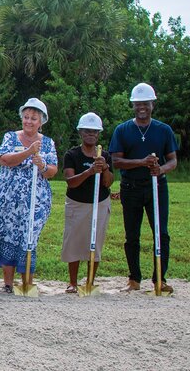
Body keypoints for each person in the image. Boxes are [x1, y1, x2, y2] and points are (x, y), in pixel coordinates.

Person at [0, 98, 58, 293]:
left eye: (34, 118)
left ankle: (27, 284)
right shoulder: (11, 137)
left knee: (28, 237)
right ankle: (8, 284)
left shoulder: (48, 143)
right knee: (7, 236)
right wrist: (29, 152)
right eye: (26, 117)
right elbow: (4, 159)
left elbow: (53, 171)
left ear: (41, 121)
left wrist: (43, 165)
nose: (29, 121)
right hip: (6, 197)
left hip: (35, 199)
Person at [109, 82, 178, 293]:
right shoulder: (122, 130)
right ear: (133, 105)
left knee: (161, 233)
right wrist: (141, 162)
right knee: (132, 234)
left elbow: (173, 160)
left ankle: (160, 278)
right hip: (131, 187)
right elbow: (117, 162)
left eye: (145, 103)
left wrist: (161, 170)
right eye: (138, 104)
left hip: (157, 187)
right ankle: (134, 279)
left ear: (152, 104)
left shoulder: (163, 130)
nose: (142, 107)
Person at [61, 112, 113, 293]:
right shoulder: (72, 154)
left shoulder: (104, 156)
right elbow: (71, 181)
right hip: (77, 203)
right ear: (81, 133)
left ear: (99, 134)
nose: (91, 134)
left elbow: (108, 182)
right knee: (74, 242)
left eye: (94, 132)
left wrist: (104, 167)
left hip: (100, 203)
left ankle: (90, 281)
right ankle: (73, 282)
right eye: (87, 131)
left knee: (95, 243)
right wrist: (89, 172)